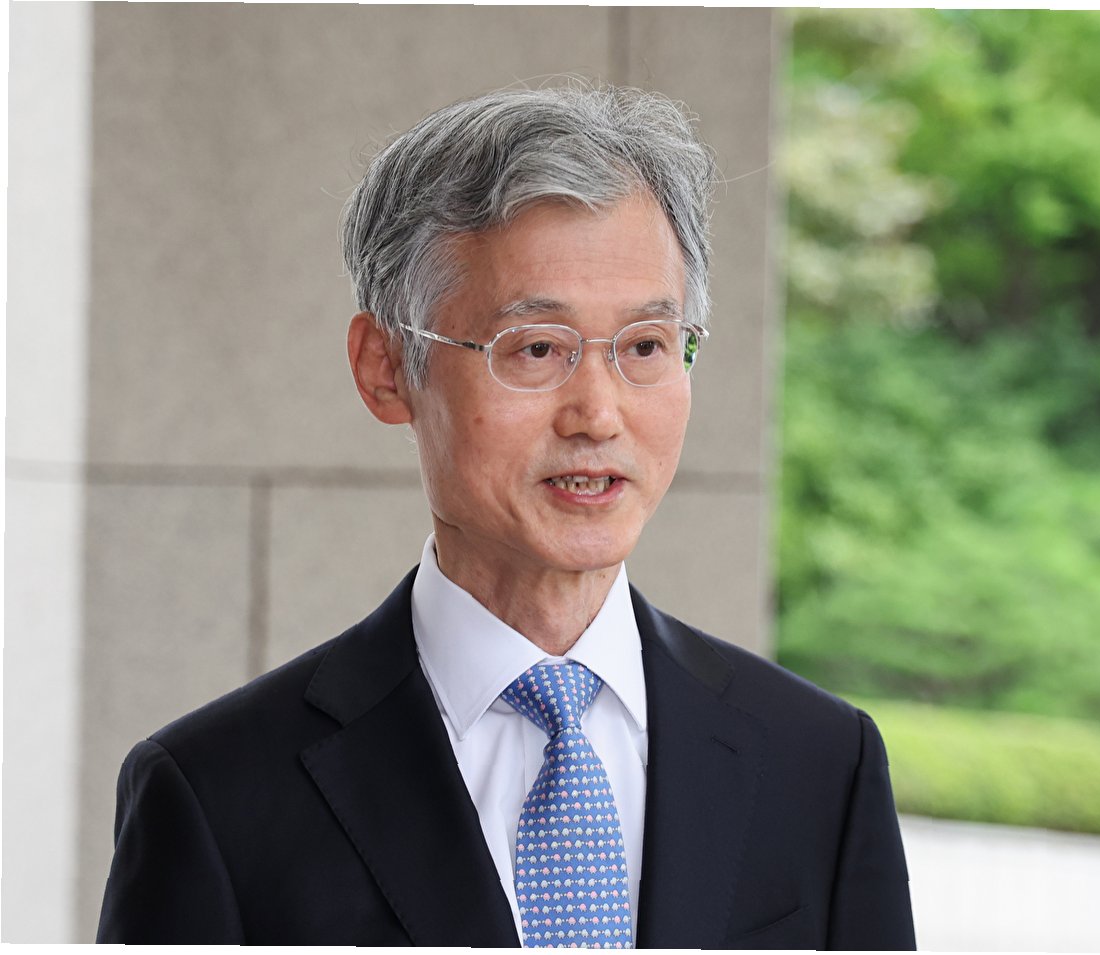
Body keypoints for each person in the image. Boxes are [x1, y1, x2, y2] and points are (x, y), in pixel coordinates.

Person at [96, 83, 915, 949]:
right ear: (386, 368)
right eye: (536, 349)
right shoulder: (216, 795)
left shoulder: (821, 761)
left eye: (644, 345)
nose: (597, 413)